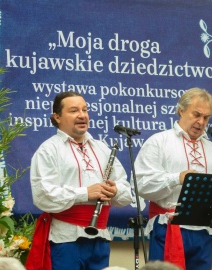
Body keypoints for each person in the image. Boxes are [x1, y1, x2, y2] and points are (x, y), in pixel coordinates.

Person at [26, 92, 133, 270]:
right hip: (66, 239)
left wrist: (115, 192)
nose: (82, 115)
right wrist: (85, 193)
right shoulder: (48, 150)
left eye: (85, 110)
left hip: (100, 237)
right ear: (57, 117)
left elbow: (126, 193)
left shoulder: (101, 148)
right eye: (74, 110)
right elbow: (43, 195)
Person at [134, 87, 212, 270]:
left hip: (203, 231)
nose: (201, 122)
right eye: (196, 114)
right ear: (181, 110)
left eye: (206, 117)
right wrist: (177, 178)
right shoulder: (159, 141)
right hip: (168, 227)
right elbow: (141, 185)